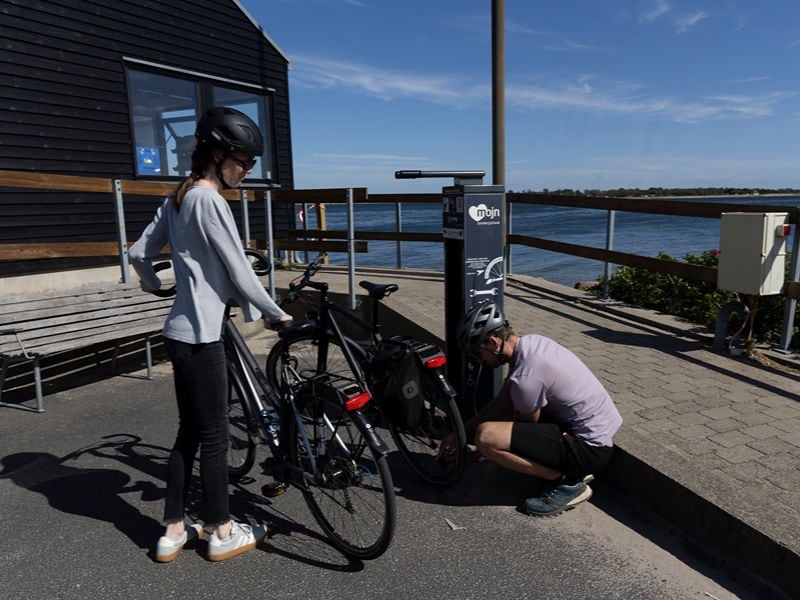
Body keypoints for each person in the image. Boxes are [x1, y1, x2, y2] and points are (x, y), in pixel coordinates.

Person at [129, 106, 292, 562]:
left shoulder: (178, 197)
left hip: (178, 332)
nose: (248, 170)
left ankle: (173, 531)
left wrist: (154, 284)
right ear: (218, 156)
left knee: (189, 432)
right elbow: (239, 269)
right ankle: (222, 531)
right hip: (202, 336)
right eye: (243, 161)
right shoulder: (209, 200)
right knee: (216, 435)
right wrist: (275, 314)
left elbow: (138, 252)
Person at [447, 301, 622, 516]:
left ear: (493, 342)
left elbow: (525, 425)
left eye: (477, 353)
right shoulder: (532, 343)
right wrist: (461, 434)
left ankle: (567, 483)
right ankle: (563, 471)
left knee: (486, 436)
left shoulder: (525, 378)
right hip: (599, 432)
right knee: (492, 429)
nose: (479, 361)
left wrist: (478, 453)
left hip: (589, 450)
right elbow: (503, 402)